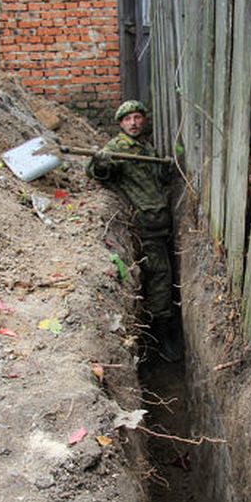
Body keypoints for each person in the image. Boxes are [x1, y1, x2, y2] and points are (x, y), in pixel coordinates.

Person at [86, 100, 180, 362]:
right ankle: (160, 342)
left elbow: (156, 180)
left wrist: (166, 166)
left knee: (162, 277)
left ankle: (160, 336)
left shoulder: (145, 147)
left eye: (138, 117)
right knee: (159, 277)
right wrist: (101, 163)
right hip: (146, 225)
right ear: (120, 123)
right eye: (128, 119)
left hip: (160, 222)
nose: (134, 123)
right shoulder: (117, 148)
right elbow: (100, 172)